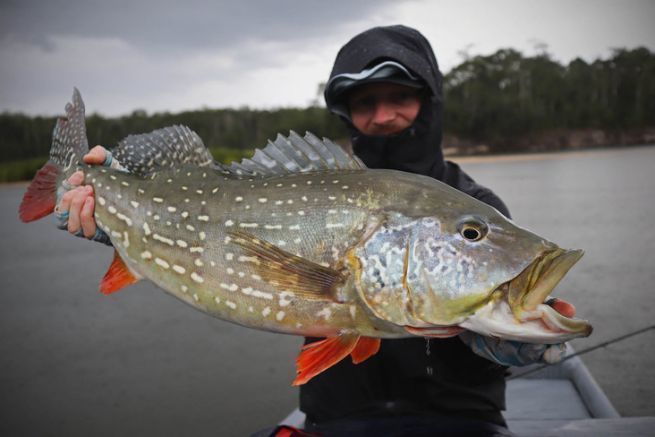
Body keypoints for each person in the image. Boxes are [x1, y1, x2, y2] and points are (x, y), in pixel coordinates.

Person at [57, 25, 574, 437]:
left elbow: (492, 332)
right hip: (337, 423)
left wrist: (520, 340)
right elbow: (213, 238)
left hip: (462, 422)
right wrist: (115, 219)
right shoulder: (309, 183)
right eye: (364, 103)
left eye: (401, 97)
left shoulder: (478, 205)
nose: (383, 115)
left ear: (430, 102)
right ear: (346, 114)